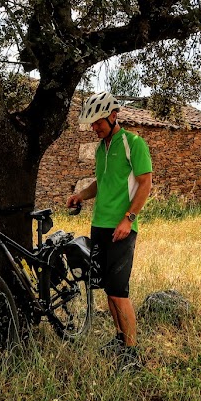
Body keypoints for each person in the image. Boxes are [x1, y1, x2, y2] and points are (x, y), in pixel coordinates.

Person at [67, 91, 152, 372]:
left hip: (122, 229)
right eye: (91, 124)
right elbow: (100, 183)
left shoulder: (133, 144)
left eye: (98, 123)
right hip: (100, 226)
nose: (94, 128)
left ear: (113, 116)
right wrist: (81, 194)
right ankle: (119, 339)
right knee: (107, 288)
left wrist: (129, 219)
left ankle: (132, 354)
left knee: (119, 292)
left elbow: (145, 183)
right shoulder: (102, 148)